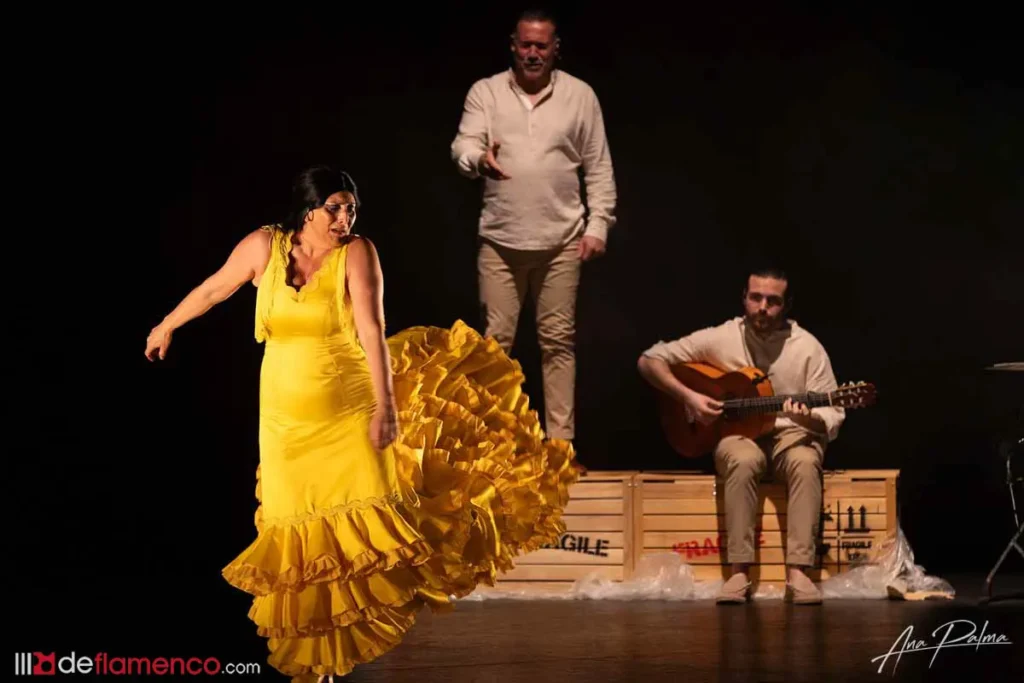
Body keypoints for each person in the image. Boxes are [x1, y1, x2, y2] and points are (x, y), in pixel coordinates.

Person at [145, 166, 577, 681]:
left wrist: (385, 406)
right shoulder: (264, 246)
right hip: (284, 419)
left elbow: (373, 329)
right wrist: (166, 325)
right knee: (302, 540)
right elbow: (215, 289)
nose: (344, 218)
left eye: (350, 209)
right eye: (334, 208)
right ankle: (315, 661)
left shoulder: (357, 252)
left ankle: (345, 647)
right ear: (307, 209)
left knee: (360, 533)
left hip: (347, 408)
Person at [450, 7, 617, 448]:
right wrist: (478, 159)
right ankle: (491, 446)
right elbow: (463, 144)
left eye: (541, 45)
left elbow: (599, 166)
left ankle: (561, 447)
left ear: (555, 49)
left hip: (561, 241)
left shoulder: (580, 96)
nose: (532, 53)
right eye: (525, 44)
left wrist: (598, 225)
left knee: (558, 344)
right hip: (500, 241)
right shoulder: (486, 92)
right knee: (494, 347)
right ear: (513, 45)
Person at [636, 268, 845, 605]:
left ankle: (799, 572)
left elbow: (833, 415)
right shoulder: (722, 337)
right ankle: (738, 572)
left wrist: (807, 418)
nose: (763, 307)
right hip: (738, 436)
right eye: (755, 297)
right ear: (744, 298)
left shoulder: (808, 348)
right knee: (743, 460)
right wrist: (689, 397)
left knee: (806, 461)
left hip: (790, 434)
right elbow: (649, 361)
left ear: (787, 305)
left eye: (773, 301)